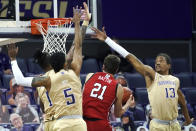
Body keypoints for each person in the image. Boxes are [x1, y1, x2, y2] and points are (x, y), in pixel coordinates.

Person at [90, 26, 194, 130]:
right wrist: (107, 40)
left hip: (175, 124)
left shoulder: (175, 81)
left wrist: (188, 119)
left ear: (169, 65)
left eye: (161, 60)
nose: (157, 62)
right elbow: (130, 57)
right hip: (159, 125)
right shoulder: (152, 75)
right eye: (156, 60)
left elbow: (182, 102)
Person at [8, 5, 88, 131]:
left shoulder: (45, 80)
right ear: (64, 64)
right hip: (79, 122)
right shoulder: (74, 71)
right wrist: (80, 23)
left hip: (58, 122)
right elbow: (77, 45)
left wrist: (13, 59)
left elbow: (21, 81)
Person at [82, 54, 134, 131]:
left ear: (103, 66)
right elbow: (117, 114)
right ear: (116, 70)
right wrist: (127, 104)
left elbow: (82, 98)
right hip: (100, 124)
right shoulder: (118, 87)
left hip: (83, 122)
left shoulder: (90, 76)